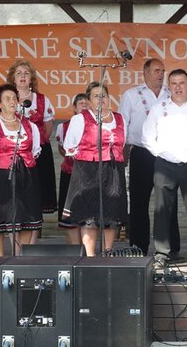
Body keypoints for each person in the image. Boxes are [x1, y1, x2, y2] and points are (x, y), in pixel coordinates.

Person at [141, 69, 187, 271]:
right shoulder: (159, 108)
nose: (178, 87)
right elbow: (147, 137)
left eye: (182, 82)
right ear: (168, 86)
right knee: (162, 210)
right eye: (173, 83)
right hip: (165, 165)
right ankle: (161, 253)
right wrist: (162, 153)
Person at [120, 58, 181, 258]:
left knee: (167, 202)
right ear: (145, 73)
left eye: (163, 71)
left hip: (167, 152)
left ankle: (170, 248)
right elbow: (123, 126)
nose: (161, 74)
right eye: (156, 71)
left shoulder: (171, 95)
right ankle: (139, 246)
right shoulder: (131, 95)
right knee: (139, 202)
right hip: (141, 152)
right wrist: (124, 153)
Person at [0, 84, 42, 256]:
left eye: (14, 98)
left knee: (27, 218)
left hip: (27, 176)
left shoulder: (30, 126)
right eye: (7, 99)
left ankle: (21, 257)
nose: (12, 101)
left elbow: (34, 152)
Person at [62, 82, 128, 257]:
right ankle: (90, 258)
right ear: (89, 101)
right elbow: (70, 147)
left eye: (104, 95)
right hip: (88, 171)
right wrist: (90, 156)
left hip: (113, 171)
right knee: (89, 218)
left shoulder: (119, 119)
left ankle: (108, 253)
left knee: (111, 216)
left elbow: (123, 144)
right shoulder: (80, 119)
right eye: (96, 96)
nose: (101, 99)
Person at [4, 60, 57, 216]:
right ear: (13, 78)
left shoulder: (42, 100)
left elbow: (47, 130)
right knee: (15, 196)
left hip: (38, 154)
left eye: (26, 73)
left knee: (36, 196)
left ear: (31, 78)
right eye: (19, 73)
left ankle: (32, 236)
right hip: (12, 153)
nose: (22, 76)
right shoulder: (5, 99)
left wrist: (33, 146)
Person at [55, 93, 88, 245]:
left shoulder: (96, 125)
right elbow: (62, 148)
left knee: (87, 213)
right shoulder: (63, 126)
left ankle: (87, 248)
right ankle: (74, 248)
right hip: (70, 172)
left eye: (86, 103)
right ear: (74, 107)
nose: (84, 105)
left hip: (89, 174)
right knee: (69, 213)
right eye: (80, 103)